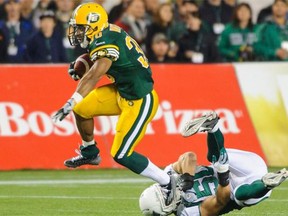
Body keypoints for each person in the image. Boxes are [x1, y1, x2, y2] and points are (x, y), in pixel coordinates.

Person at [51, 2, 176, 206]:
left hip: (140, 100)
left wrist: (71, 100)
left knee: (121, 153)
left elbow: (95, 74)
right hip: (121, 91)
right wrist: (84, 62)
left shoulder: (106, 40)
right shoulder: (102, 34)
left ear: (94, 25)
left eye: (81, 28)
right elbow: (96, 58)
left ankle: (168, 181)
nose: (77, 32)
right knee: (82, 109)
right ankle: (89, 152)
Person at [140, 111, 288, 215]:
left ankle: (213, 127)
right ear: (167, 207)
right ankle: (267, 183)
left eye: (161, 189)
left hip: (241, 166)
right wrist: (223, 177)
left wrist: (187, 178)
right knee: (238, 194)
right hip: (249, 189)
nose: (166, 190)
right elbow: (220, 200)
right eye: (164, 195)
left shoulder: (168, 176)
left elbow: (189, 157)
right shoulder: (187, 213)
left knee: (216, 157)